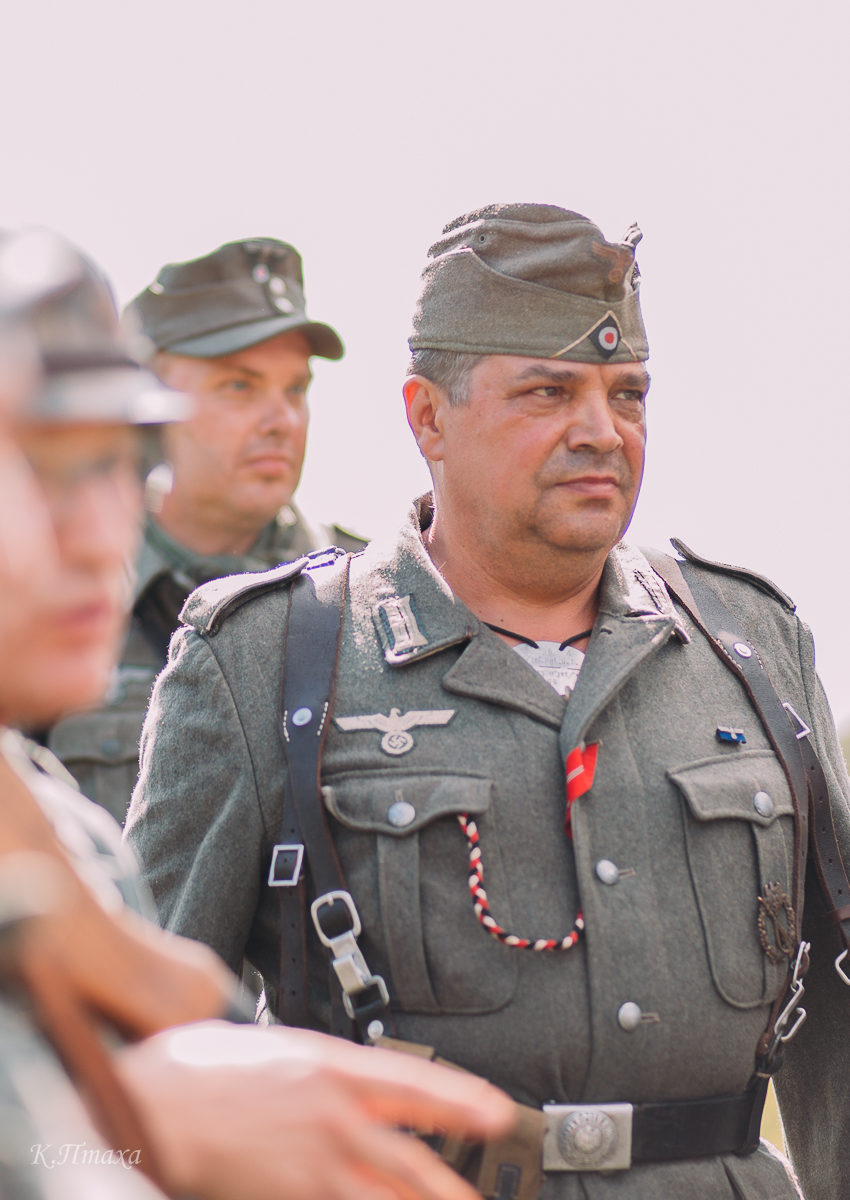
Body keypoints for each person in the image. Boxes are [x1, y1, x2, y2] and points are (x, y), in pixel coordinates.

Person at [125, 202, 850, 1200]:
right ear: (427, 416)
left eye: (627, 394)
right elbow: (144, 1048)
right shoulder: (269, 660)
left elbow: (837, 1017)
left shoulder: (751, 642)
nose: (601, 431)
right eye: (548, 392)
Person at [0, 228, 513, 1200]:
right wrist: (140, 1127)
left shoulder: (65, 835)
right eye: (45, 467)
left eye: (115, 464)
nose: (96, 533)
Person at [45, 237, 365, 823]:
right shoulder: (57, 602)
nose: (282, 420)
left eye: (295, 388)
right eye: (239, 386)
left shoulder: (372, 596)